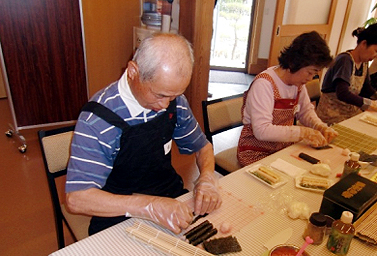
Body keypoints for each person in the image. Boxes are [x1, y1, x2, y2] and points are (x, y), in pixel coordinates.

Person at [65, 33, 221, 235]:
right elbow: (77, 199)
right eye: (160, 95)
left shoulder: (175, 102)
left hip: (169, 197)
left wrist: (207, 178)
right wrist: (149, 206)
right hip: (119, 212)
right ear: (133, 71)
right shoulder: (98, 120)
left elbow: (203, 147)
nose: (166, 105)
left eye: (174, 95)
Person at [237, 31, 338, 167]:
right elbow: (262, 131)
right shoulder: (265, 84)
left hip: (282, 147)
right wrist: (303, 132)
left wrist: (319, 126)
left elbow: (305, 112)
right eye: (309, 72)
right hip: (255, 151)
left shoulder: (297, 84)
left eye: (314, 73)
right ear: (294, 63)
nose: (310, 78)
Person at [316, 23, 377, 125]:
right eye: (376, 51)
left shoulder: (364, 62)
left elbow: (366, 88)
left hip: (349, 113)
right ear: (364, 44)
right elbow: (342, 93)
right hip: (331, 116)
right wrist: (371, 104)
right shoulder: (345, 60)